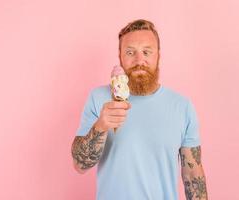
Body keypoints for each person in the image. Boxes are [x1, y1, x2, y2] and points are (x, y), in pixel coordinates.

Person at [71, 19, 208, 200]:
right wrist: (101, 126)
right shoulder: (99, 98)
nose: (139, 60)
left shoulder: (182, 107)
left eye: (146, 52)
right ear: (120, 56)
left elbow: (193, 176)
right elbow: (80, 165)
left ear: (158, 55)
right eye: (130, 52)